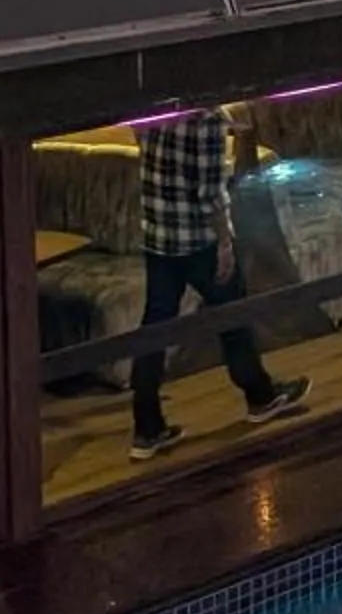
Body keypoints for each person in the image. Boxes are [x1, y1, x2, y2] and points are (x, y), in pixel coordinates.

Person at [130, 107, 308, 462]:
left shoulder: (154, 105)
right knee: (232, 316)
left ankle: (146, 428)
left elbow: (141, 137)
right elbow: (210, 195)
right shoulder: (207, 122)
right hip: (198, 241)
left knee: (154, 328)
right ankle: (259, 396)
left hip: (159, 237)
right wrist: (226, 243)